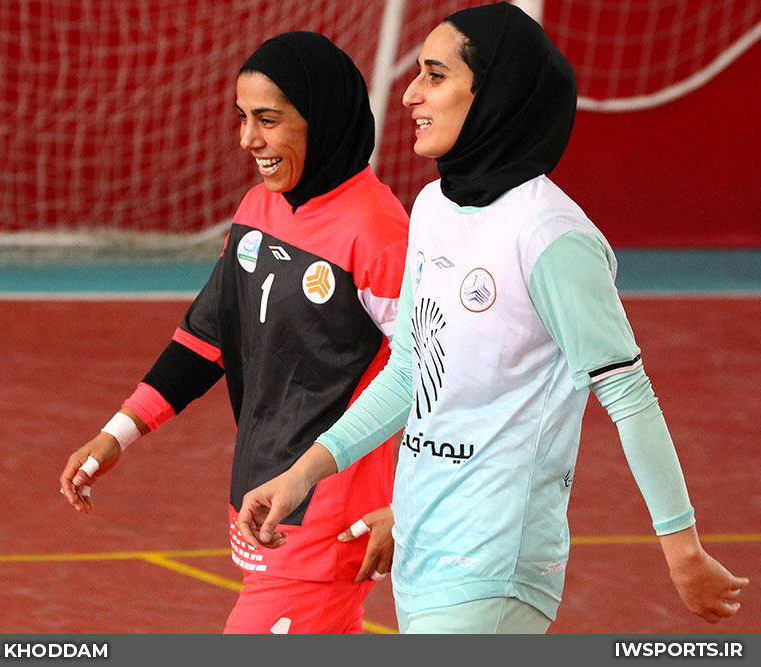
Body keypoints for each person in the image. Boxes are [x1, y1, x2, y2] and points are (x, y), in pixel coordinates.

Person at [236, 2, 748, 634]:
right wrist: (304, 474)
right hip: (422, 549)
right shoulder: (433, 207)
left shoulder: (550, 236)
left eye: (435, 75)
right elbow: (409, 373)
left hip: (497, 563)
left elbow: (629, 396)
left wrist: (682, 549)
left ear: (493, 93)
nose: (410, 95)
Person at [59, 31, 409, 634]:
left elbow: (435, 377)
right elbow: (207, 338)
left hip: (330, 512)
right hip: (262, 492)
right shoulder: (257, 210)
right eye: (243, 118)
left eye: (268, 120)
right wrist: (117, 433)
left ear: (322, 119)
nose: (248, 139)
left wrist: (410, 507)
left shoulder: (379, 233)